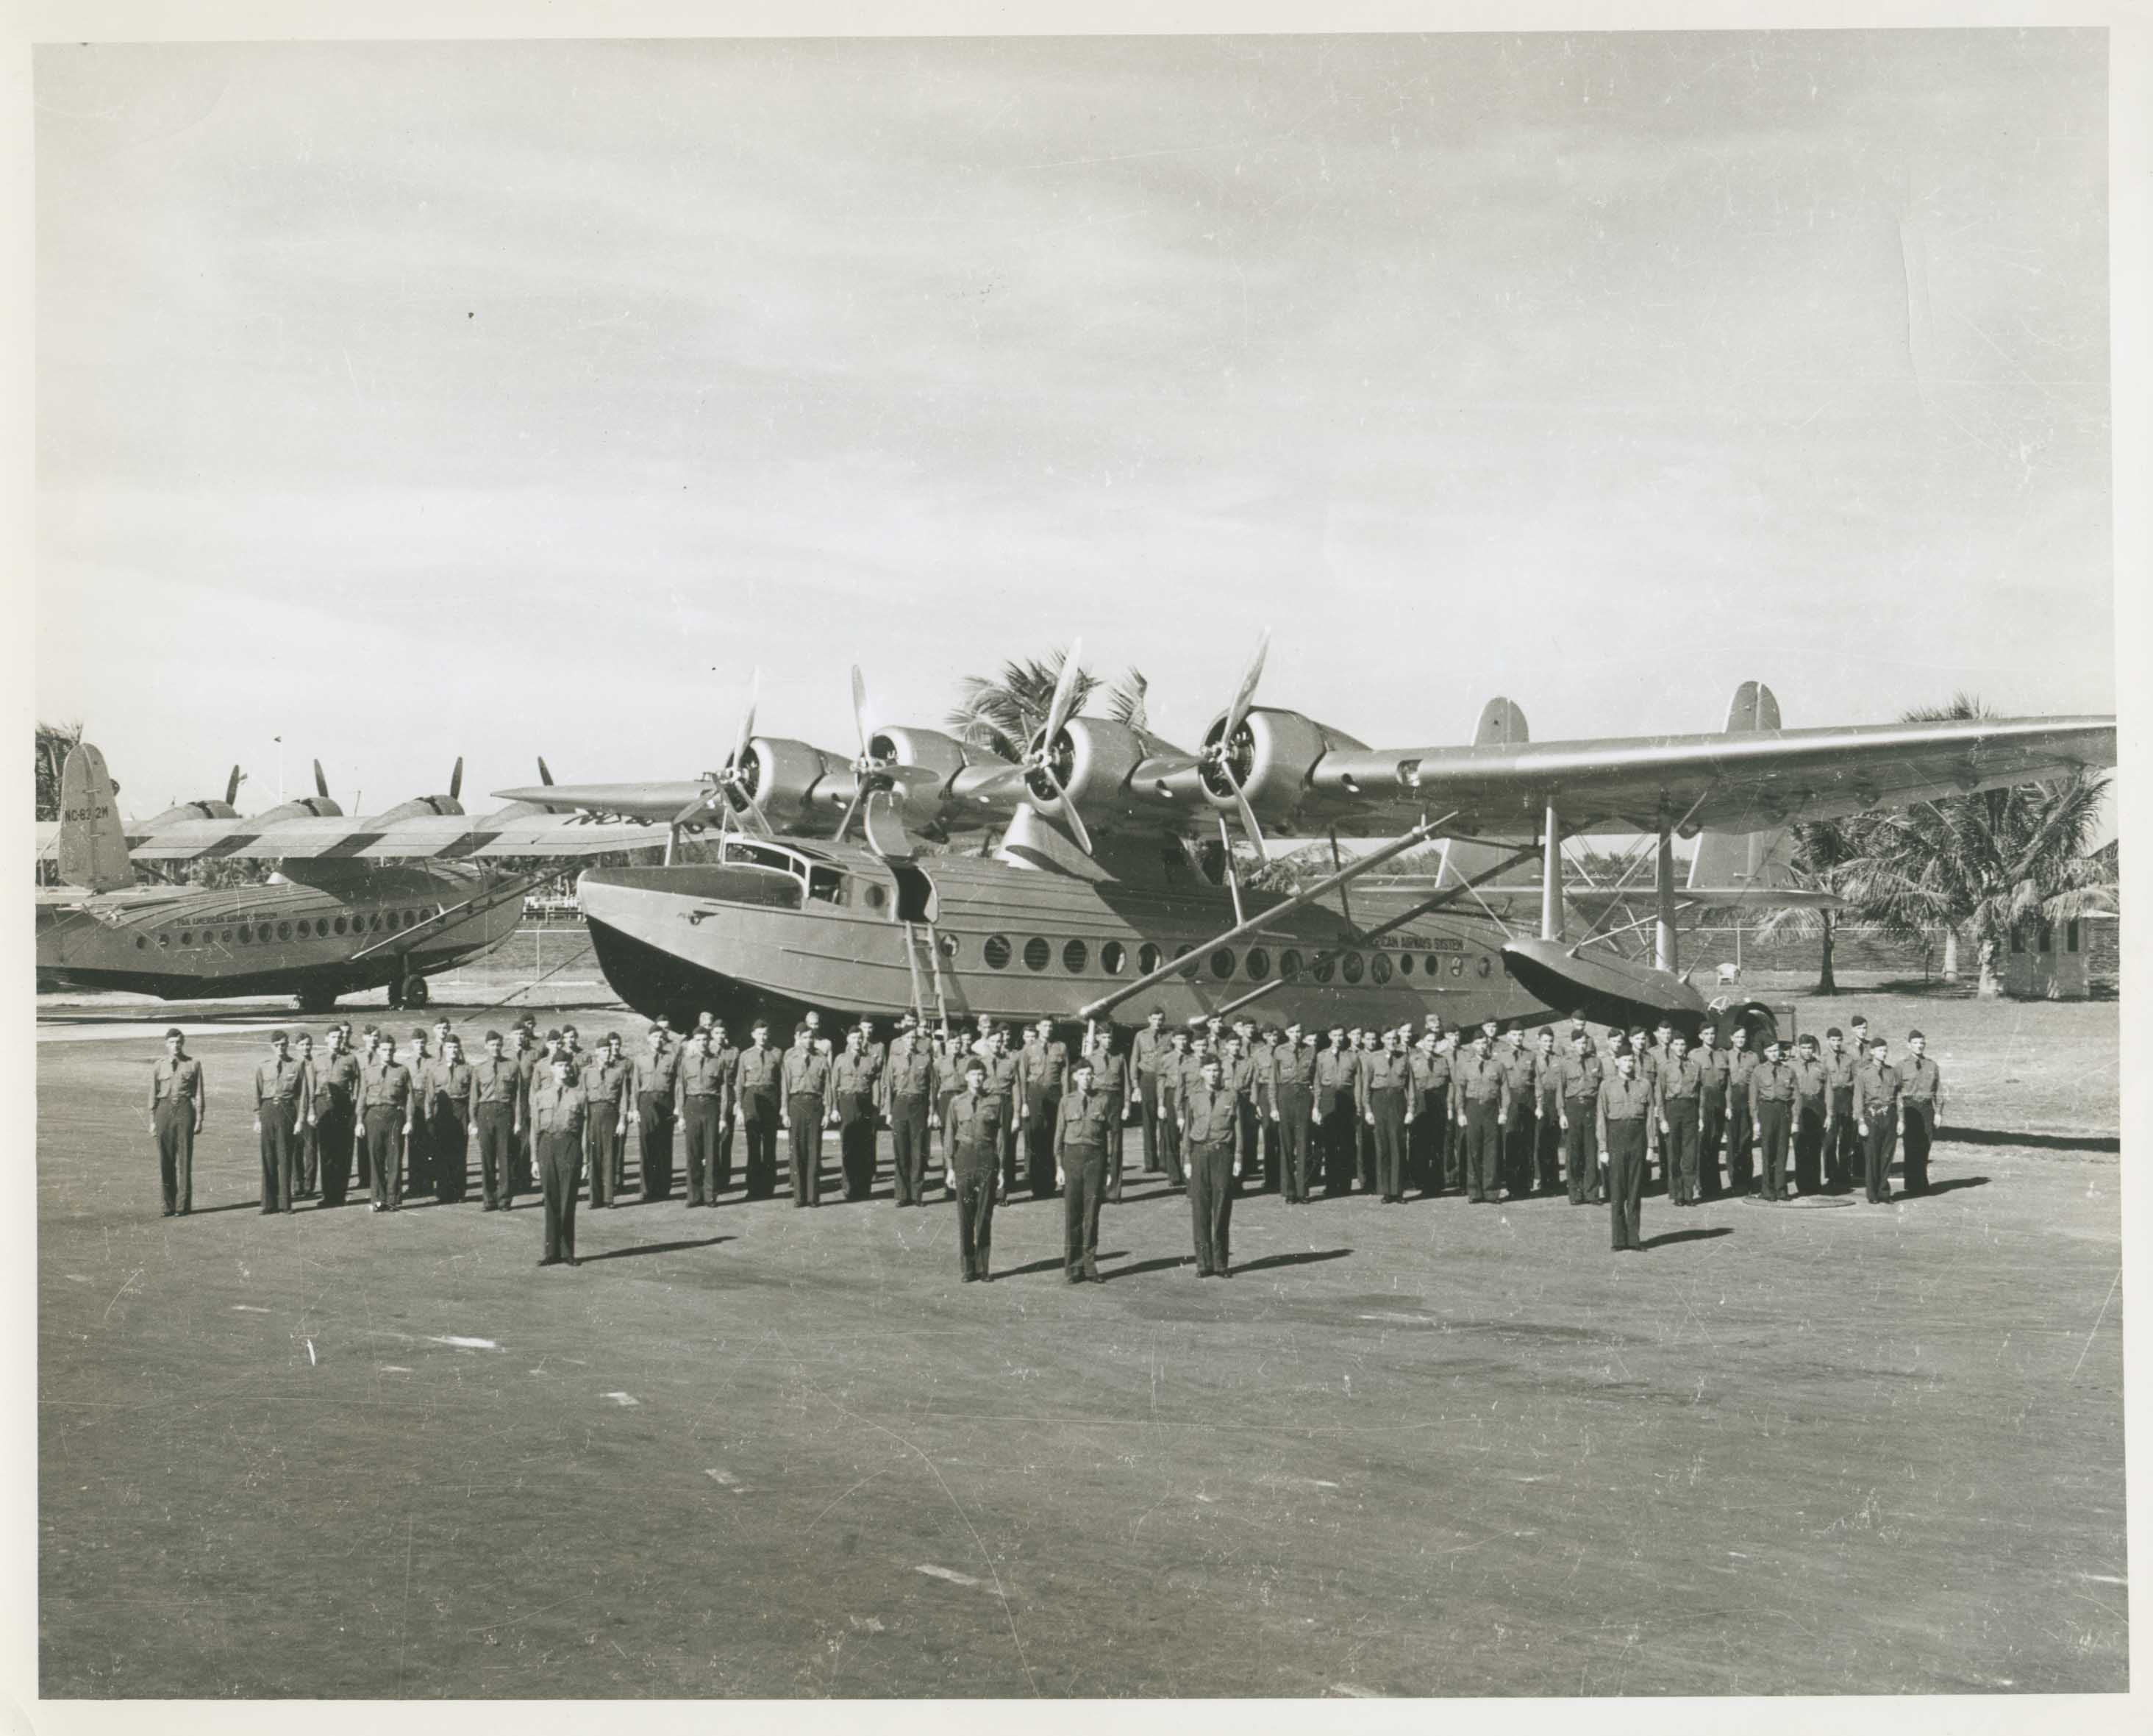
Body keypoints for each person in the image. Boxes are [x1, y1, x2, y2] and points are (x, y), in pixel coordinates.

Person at [1180, 1054, 1243, 1276]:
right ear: (1202, 1073)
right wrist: (1186, 1159)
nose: (1214, 1074)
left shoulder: (1231, 1096)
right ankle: (1203, 1264)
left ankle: (1221, 1264)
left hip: (1222, 1154)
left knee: (1222, 1208)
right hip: (1199, 1154)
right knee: (1200, 1210)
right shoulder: (1194, 1097)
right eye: (1209, 1070)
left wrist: (1237, 1157)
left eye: (1217, 1070)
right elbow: (1187, 1130)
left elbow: (1238, 1130)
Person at [1054, 1058, 1113, 1282]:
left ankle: (1089, 1266)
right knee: (1073, 1214)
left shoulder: (1103, 1100)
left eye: (1090, 1074)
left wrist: (1108, 1167)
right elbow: (1059, 1135)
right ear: (1075, 1077)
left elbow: (1108, 1137)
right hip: (1072, 1158)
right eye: (1082, 1074)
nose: (1087, 1078)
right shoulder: (1066, 1101)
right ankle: (1072, 1268)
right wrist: (1058, 1165)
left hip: (1095, 1159)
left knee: (1091, 1214)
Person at [946, 1059, 1004, 1281]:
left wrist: (1001, 1170)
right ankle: (968, 1268)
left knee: (984, 1215)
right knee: (965, 1215)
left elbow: (1000, 1138)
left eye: (981, 1074)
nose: (978, 1078)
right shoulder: (956, 1102)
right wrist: (950, 1168)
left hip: (987, 1157)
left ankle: (983, 1268)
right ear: (967, 1077)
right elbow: (949, 1135)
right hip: (964, 1157)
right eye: (974, 1074)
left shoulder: (995, 1102)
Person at [529, 1051, 586, 1267]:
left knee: (567, 1199)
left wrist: (586, 1160)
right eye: (559, 1065)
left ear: (570, 1068)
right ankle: (551, 1252)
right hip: (547, 1146)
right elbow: (535, 1128)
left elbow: (585, 1130)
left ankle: (567, 1251)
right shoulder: (540, 1095)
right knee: (550, 1199)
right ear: (551, 1068)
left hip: (569, 1146)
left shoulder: (579, 1096)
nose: (563, 1069)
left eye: (566, 1065)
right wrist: (534, 1159)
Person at [1597, 1047, 1652, 1252]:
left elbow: (1649, 1118)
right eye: (1625, 1060)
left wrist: (1651, 1146)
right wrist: (1603, 1148)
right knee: (1618, 1190)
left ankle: (1634, 1239)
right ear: (1617, 1062)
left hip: (1637, 1139)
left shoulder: (1644, 1085)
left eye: (1632, 1060)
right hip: (1616, 1138)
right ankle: (1618, 1240)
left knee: (1635, 1190)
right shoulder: (1607, 1086)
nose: (1629, 1064)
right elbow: (1601, 1119)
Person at [147, 1028, 204, 1217]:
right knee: (166, 1159)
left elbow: (198, 1093)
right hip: (164, 1110)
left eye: (178, 1042)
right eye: (172, 1042)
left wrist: (199, 1118)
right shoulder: (158, 1066)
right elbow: (152, 1094)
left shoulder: (193, 1064)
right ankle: (168, 1205)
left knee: (185, 1159)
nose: (175, 1046)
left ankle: (182, 1206)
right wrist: (152, 1121)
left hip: (184, 1110)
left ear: (183, 1042)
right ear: (166, 1044)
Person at [882, 1018, 939, 1207]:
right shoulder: (894, 1059)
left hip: (919, 1105)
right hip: (900, 1104)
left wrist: (932, 1112)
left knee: (918, 1151)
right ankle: (902, 1194)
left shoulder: (925, 1058)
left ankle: (917, 1195)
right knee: (901, 1150)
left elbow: (932, 1087)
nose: (911, 1041)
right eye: (908, 1037)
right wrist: (888, 1111)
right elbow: (888, 1086)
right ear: (903, 1039)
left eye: (914, 1038)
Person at [357, 1034, 415, 1212]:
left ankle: (393, 1199)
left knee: (394, 1159)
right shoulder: (368, 1071)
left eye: (391, 1050)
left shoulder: (402, 1071)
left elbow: (410, 1098)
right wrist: (359, 1121)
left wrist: (410, 1121)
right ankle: (377, 1199)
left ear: (395, 1050)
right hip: (373, 1116)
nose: (387, 1053)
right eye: (384, 1050)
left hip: (394, 1117)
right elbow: (361, 1097)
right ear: (378, 1051)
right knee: (375, 1160)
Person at [674, 1027, 729, 1206]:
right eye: (698, 1040)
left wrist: (722, 1117)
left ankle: (710, 1195)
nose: (702, 1043)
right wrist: (681, 1115)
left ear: (709, 1041)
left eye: (705, 1039)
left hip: (711, 1106)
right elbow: (680, 1089)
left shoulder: (718, 1062)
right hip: (692, 1106)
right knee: (693, 1152)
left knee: (712, 1152)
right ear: (694, 1042)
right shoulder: (686, 1062)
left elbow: (724, 1091)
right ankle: (693, 1195)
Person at [253, 1029, 306, 1215]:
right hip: (268, 1110)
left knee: (284, 1158)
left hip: (287, 1111)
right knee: (268, 1157)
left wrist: (300, 1120)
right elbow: (257, 1094)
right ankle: (268, 1203)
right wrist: (257, 1118)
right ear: (272, 1047)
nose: (280, 1048)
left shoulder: (297, 1066)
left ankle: (285, 1204)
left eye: (283, 1044)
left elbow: (301, 1095)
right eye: (277, 1045)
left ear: (287, 1045)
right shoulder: (263, 1066)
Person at [309, 1024, 362, 1209]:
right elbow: (310, 1087)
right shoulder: (317, 1060)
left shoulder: (351, 1059)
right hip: (323, 1105)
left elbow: (358, 1084)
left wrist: (356, 1110)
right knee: (326, 1152)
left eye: (339, 1037)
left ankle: (339, 1195)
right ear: (326, 1039)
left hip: (344, 1107)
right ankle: (328, 1195)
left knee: (343, 1152)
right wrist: (311, 1110)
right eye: (333, 1037)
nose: (337, 1040)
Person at [469, 1030, 523, 1211]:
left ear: (502, 1046)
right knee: (487, 1158)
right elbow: (474, 1099)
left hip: (505, 1113)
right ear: (486, 1046)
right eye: (492, 1045)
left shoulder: (513, 1067)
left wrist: (518, 1121)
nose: (495, 1048)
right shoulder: (479, 1068)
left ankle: (505, 1200)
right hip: (485, 1113)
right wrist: (474, 1122)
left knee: (505, 1158)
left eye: (498, 1045)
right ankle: (489, 1199)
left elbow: (518, 1097)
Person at [782, 1018, 832, 1207]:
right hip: (796, 1104)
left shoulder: (821, 1058)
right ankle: (799, 1196)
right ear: (798, 1038)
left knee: (814, 1151)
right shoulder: (790, 1058)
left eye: (811, 1037)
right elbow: (785, 1086)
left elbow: (828, 1087)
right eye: (805, 1037)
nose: (809, 1041)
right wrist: (784, 1112)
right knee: (797, 1151)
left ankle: (813, 1197)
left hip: (815, 1105)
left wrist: (828, 1112)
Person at [1454, 1029, 1507, 1204]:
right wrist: (1461, 1113)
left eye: (1484, 1043)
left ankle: (1491, 1192)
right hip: (1473, 1108)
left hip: (1491, 1109)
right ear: (1472, 1046)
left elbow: (1505, 1091)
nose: (1481, 1046)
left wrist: (1504, 1111)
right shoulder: (1465, 1065)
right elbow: (1460, 1091)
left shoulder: (1498, 1065)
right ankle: (1475, 1192)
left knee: (1492, 1151)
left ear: (1488, 1044)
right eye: (1478, 1043)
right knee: (1473, 1150)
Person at [580, 1032, 632, 1208]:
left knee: (609, 1156)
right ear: (596, 1052)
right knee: (594, 1156)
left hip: (611, 1114)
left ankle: (609, 1198)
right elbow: (581, 1097)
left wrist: (622, 1120)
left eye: (609, 1050)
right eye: (603, 1050)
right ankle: (594, 1199)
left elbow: (624, 1098)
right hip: (593, 1114)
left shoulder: (618, 1072)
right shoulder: (586, 1072)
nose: (607, 1053)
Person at [732, 1020, 782, 1199]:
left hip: (770, 1098)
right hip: (751, 1098)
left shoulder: (777, 1054)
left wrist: (782, 1107)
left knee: (769, 1144)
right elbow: (739, 1082)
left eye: (765, 1033)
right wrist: (738, 1105)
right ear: (753, 1035)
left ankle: (768, 1188)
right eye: (759, 1033)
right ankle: (753, 1189)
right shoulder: (745, 1055)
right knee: (753, 1145)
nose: (763, 1037)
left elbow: (781, 1083)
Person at [1268, 1021, 1318, 1204]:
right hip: (1285, 1095)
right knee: (1287, 1145)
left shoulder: (1311, 1050)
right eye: (1293, 1031)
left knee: (1303, 1143)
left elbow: (1317, 1079)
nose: (1296, 1034)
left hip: (1304, 1096)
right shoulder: (1279, 1051)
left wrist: (1316, 1105)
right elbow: (1273, 1081)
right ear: (1287, 1033)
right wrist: (1273, 1106)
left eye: (1299, 1031)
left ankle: (1302, 1190)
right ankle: (1289, 1190)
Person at [1362, 1027, 1413, 1204]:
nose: (1392, 1042)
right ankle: (1386, 1191)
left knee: (1398, 1146)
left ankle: (1397, 1191)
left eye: (1395, 1039)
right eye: (1389, 1038)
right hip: (1379, 1101)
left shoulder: (1404, 1058)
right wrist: (1367, 1109)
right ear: (1383, 1039)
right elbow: (1366, 1086)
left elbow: (1410, 1086)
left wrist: (1411, 1110)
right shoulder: (1372, 1058)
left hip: (1397, 1101)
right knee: (1382, 1146)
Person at [1081, 1023, 1130, 1203]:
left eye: (1110, 1037)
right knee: (1097, 1145)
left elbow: (1126, 1082)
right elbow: (1085, 1083)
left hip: (1115, 1101)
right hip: (1098, 1100)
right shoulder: (1091, 1058)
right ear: (1098, 1039)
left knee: (1116, 1147)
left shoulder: (1120, 1057)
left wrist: (1126, 1105)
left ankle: (1114, 1192)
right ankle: (1097, 1189)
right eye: (1104, 1037)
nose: (1108, 1041)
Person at [1018, 1020, 1067, 1199]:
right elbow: (1022, 1077)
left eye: (1050, 1026)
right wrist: (1024, 1102)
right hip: (1035, 1093)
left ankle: (1053, 1182)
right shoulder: (1029, 1049)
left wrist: (1066, 1098)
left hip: (1055, 1094)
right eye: (1044, 1026)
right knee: (1037, 1137)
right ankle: (1038, 1187)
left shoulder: (1061, 1047)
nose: (1048, 1029)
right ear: (1038, 1027)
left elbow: (1065, 1074)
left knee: (1055, 1137)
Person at [832, 1026, 882, 1201]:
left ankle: (864, 1189)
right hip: (847, 1102)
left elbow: (875, 1083)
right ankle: (849, 1188)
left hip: (865, 1103)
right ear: (848, 1040)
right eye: (853, 1037)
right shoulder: (840, 1059)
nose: (857, 1041)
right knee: (848, 1146)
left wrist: (876, 1107)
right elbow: (833, 1085)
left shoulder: (870, 1061)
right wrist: (833, 1108)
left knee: (865, 1147)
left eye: (859, 1038)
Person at [1555, 1030, 1604, 1205]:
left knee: (1591, 1151)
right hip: (1573, 1108)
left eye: (1585, 1043)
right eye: (1579, 1043)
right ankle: (1575, 1193)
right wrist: (1561, 1114)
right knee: (1574, 1152)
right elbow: (1560, 1090)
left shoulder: (1596, 1061)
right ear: (1573, 1044)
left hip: (1591, 1108)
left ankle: (1592, 1193)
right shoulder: (1565, 1063)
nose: (1582, 1046)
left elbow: (1601, 1089)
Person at [1654, 1032, 1703, 1206]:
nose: (1680, 1048)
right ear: (1672, 1046)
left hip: (1690, 1109)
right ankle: (1677, 1194)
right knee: (1674, 1154)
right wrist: (1662, 1119)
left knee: (1690, 1153)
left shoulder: (1695, 1065)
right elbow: (1659, 1094)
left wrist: (1700, 1116)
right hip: (1672, 1109)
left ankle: (1689, 1194)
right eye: (1677, 1044)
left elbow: (1701, 1092)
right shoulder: (1665, 1067)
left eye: (1683, 1045)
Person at [1750, 1037, 1799, 1202]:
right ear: (1765, 1053)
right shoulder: (1759, 1071)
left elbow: (1796, 1097)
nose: (1774, 1054)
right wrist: (1756, 1122)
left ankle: (1781, 1189)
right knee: (1767, 1151)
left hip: (1783, 1111)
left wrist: (1795, 1121)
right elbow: (1753, 1098)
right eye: (1770, 1051)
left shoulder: (1788, 1071)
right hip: (1767, 1111)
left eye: (1776, 1050)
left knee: (1782, 1150)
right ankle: (1767, 1189)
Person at [426, 1032, 474, 1204]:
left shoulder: (468, 1069)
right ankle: (443, 1192)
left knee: (459, 1153)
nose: (453, 1050)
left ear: (459, 1048)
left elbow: (472, 1096)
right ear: (444, 1049)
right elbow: (430, 1096)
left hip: (461, 1110)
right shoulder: (435, 1069)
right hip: (442, 1113)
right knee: (442, 1153)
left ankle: (459, 1192)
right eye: (449, 1047)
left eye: (455, 1047)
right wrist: (429, 1118)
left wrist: (471, 1120)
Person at [1854, 1035, 1902, 1204]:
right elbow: (1858, 1099)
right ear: (1872, 1052)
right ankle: (1872, 1193)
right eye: (1880, 1050)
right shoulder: (1864, 1073)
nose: (1884, 1053)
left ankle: (1884, 1192)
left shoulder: (1892, 1072)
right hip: (1871, 1117)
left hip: (1889, 1116)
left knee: (1886, 1156)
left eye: (1885, 1050)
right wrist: (1860, 1122)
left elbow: (1898, 1097)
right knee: (1872, 1156)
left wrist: (1901, 1120)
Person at [1899, 1030, 1943, 1196]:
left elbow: (1938, 1090)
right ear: (1909, 1045)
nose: (1919, 1046)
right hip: (1910, 1108)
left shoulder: (1932, 1065)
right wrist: (1900, 1115)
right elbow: (1896, 1091)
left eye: (1922, 1043)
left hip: (1926, 1109)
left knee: (1926, 1144)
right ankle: (1912, 1184)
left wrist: (1938, 1112)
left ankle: (1922, 1182)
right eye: (1916, 1043)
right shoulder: (1901, 1066)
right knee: (1910, 1146)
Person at [982, 1027, 1024, 1198]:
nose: (996, 1045)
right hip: (986, 1104)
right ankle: (985, 1188)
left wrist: (1016, 1116)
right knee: (985, 1145)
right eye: (993, 1042)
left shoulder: (1010, 1063)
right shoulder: (980, 1062)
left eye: (999, 1041)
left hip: (1005, 1105)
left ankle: (1001, 1191)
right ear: (988, 1043)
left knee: (1003, 1148)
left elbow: (1016, 1090)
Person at [1313, 1026, 1355, 1196]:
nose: (1338, 1038)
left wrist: (1358, 1106)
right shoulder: (1322, 1056)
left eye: (1341, 1035)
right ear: (1330, 1036)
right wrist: (1316, 1106)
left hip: (1347, 1098)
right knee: (1330, 1144)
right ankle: (1331, 1186)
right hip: (1329, 1098)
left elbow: (1358, 1081)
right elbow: (1317, 1082)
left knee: (1346, 1144)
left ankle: (1345, 1186)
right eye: (1335, 1035)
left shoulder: (1352, 1056)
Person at [1791, 1034, 1830, 1197]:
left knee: (1815, 1147)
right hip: (1798, 1107)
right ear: (1799, 1048)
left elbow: (1828, 1091)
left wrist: (1830, 1114)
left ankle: (1814, 1184)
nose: (1807, 1051)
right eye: (1804, 1048)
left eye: (1810, 1048)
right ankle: (1802, 1185)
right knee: (1800, 1147)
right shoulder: (1790, 1066)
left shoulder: (1821, 1067)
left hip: (1816, 1107)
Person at [1693, 1022, 1729, 1201]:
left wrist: (1728, 1105)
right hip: (1703, 1100)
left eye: (1712, 1033)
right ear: (1700, 1036)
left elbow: (1727, 1083)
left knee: (1715, 1142)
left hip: (1719, 1101)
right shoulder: (1694, 1055)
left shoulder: (1722, 1054)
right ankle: (1702, 1185)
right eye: (1706, 1034)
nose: (1710, 1037)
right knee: (1702, 1144)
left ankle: (1714, 1185)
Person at [1822, 1026, 1860, 1193]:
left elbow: (1856, 1080)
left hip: (1846, 1099)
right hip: (1831, 1099)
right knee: (1830, 1140)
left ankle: (1844, 1173)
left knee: (1846, 1139)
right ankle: (1831, 1175)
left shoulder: (1849, 1059)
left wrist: (1849, 1086)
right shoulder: (1823, 1059)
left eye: (1839, 1040)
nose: (1837, 1043)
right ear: (1828, 1041)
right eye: (1833, 1040)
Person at [1132, 1008, 1171, 1174]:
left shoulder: (1168, 1036)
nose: (1158, 1022)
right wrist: (1135, 1084)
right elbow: (1134, 1059)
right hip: (1147, 1078)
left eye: (1161, 1019)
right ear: (1149, 1019)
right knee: (1148, 1121)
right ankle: (1150, 1162)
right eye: (1155, 1019)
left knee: (1164, 1119)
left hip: (1164, 1078)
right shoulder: (1141, 1036)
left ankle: (1164, 1162)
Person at [1154, 1028, 1193, 1188]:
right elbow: (1161, 1081)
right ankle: (1174, 1175)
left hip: (1188, 1096)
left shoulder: (1192, 1058)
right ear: (1174, 1041)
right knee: (1171, 1135)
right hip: (1171, 1094)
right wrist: (1161, 1104)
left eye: (1185, 1039)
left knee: (1189, 1134)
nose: (1182, 1042)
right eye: (1179, 1039)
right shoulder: (1166, 1059)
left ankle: (1189, 1172)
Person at [1724, 1026, 1759, 1197]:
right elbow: (1725, 1084)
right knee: (1732, 1143)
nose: (1740, 1040)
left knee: (1745, 1142)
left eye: (1743, 1037)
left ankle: (1746, 1181)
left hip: (1747, 1100)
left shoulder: (1753, 1057)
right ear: (1731, 1038)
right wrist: (1728, 1105)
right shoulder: (1725, 1056)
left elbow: (1756, 1082)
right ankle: (1734, 1181)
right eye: (1737, 1037)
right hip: (1732, 1101)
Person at [1531, 1027, 1564, 1193]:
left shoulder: (1558, 1059)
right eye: (1545, 1041)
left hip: (1555, 1100)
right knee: (1540, 1141)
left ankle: (1553, 1179)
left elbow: (1561, 1083)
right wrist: (1539, 1105)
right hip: (1541, 1101)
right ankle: (1540, 1178)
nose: (1548, 1044)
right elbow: (1536, 1083)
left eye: (1550, 1041)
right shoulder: (1534, 1059)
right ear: (1538, 1041)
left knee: (1554, 1140)